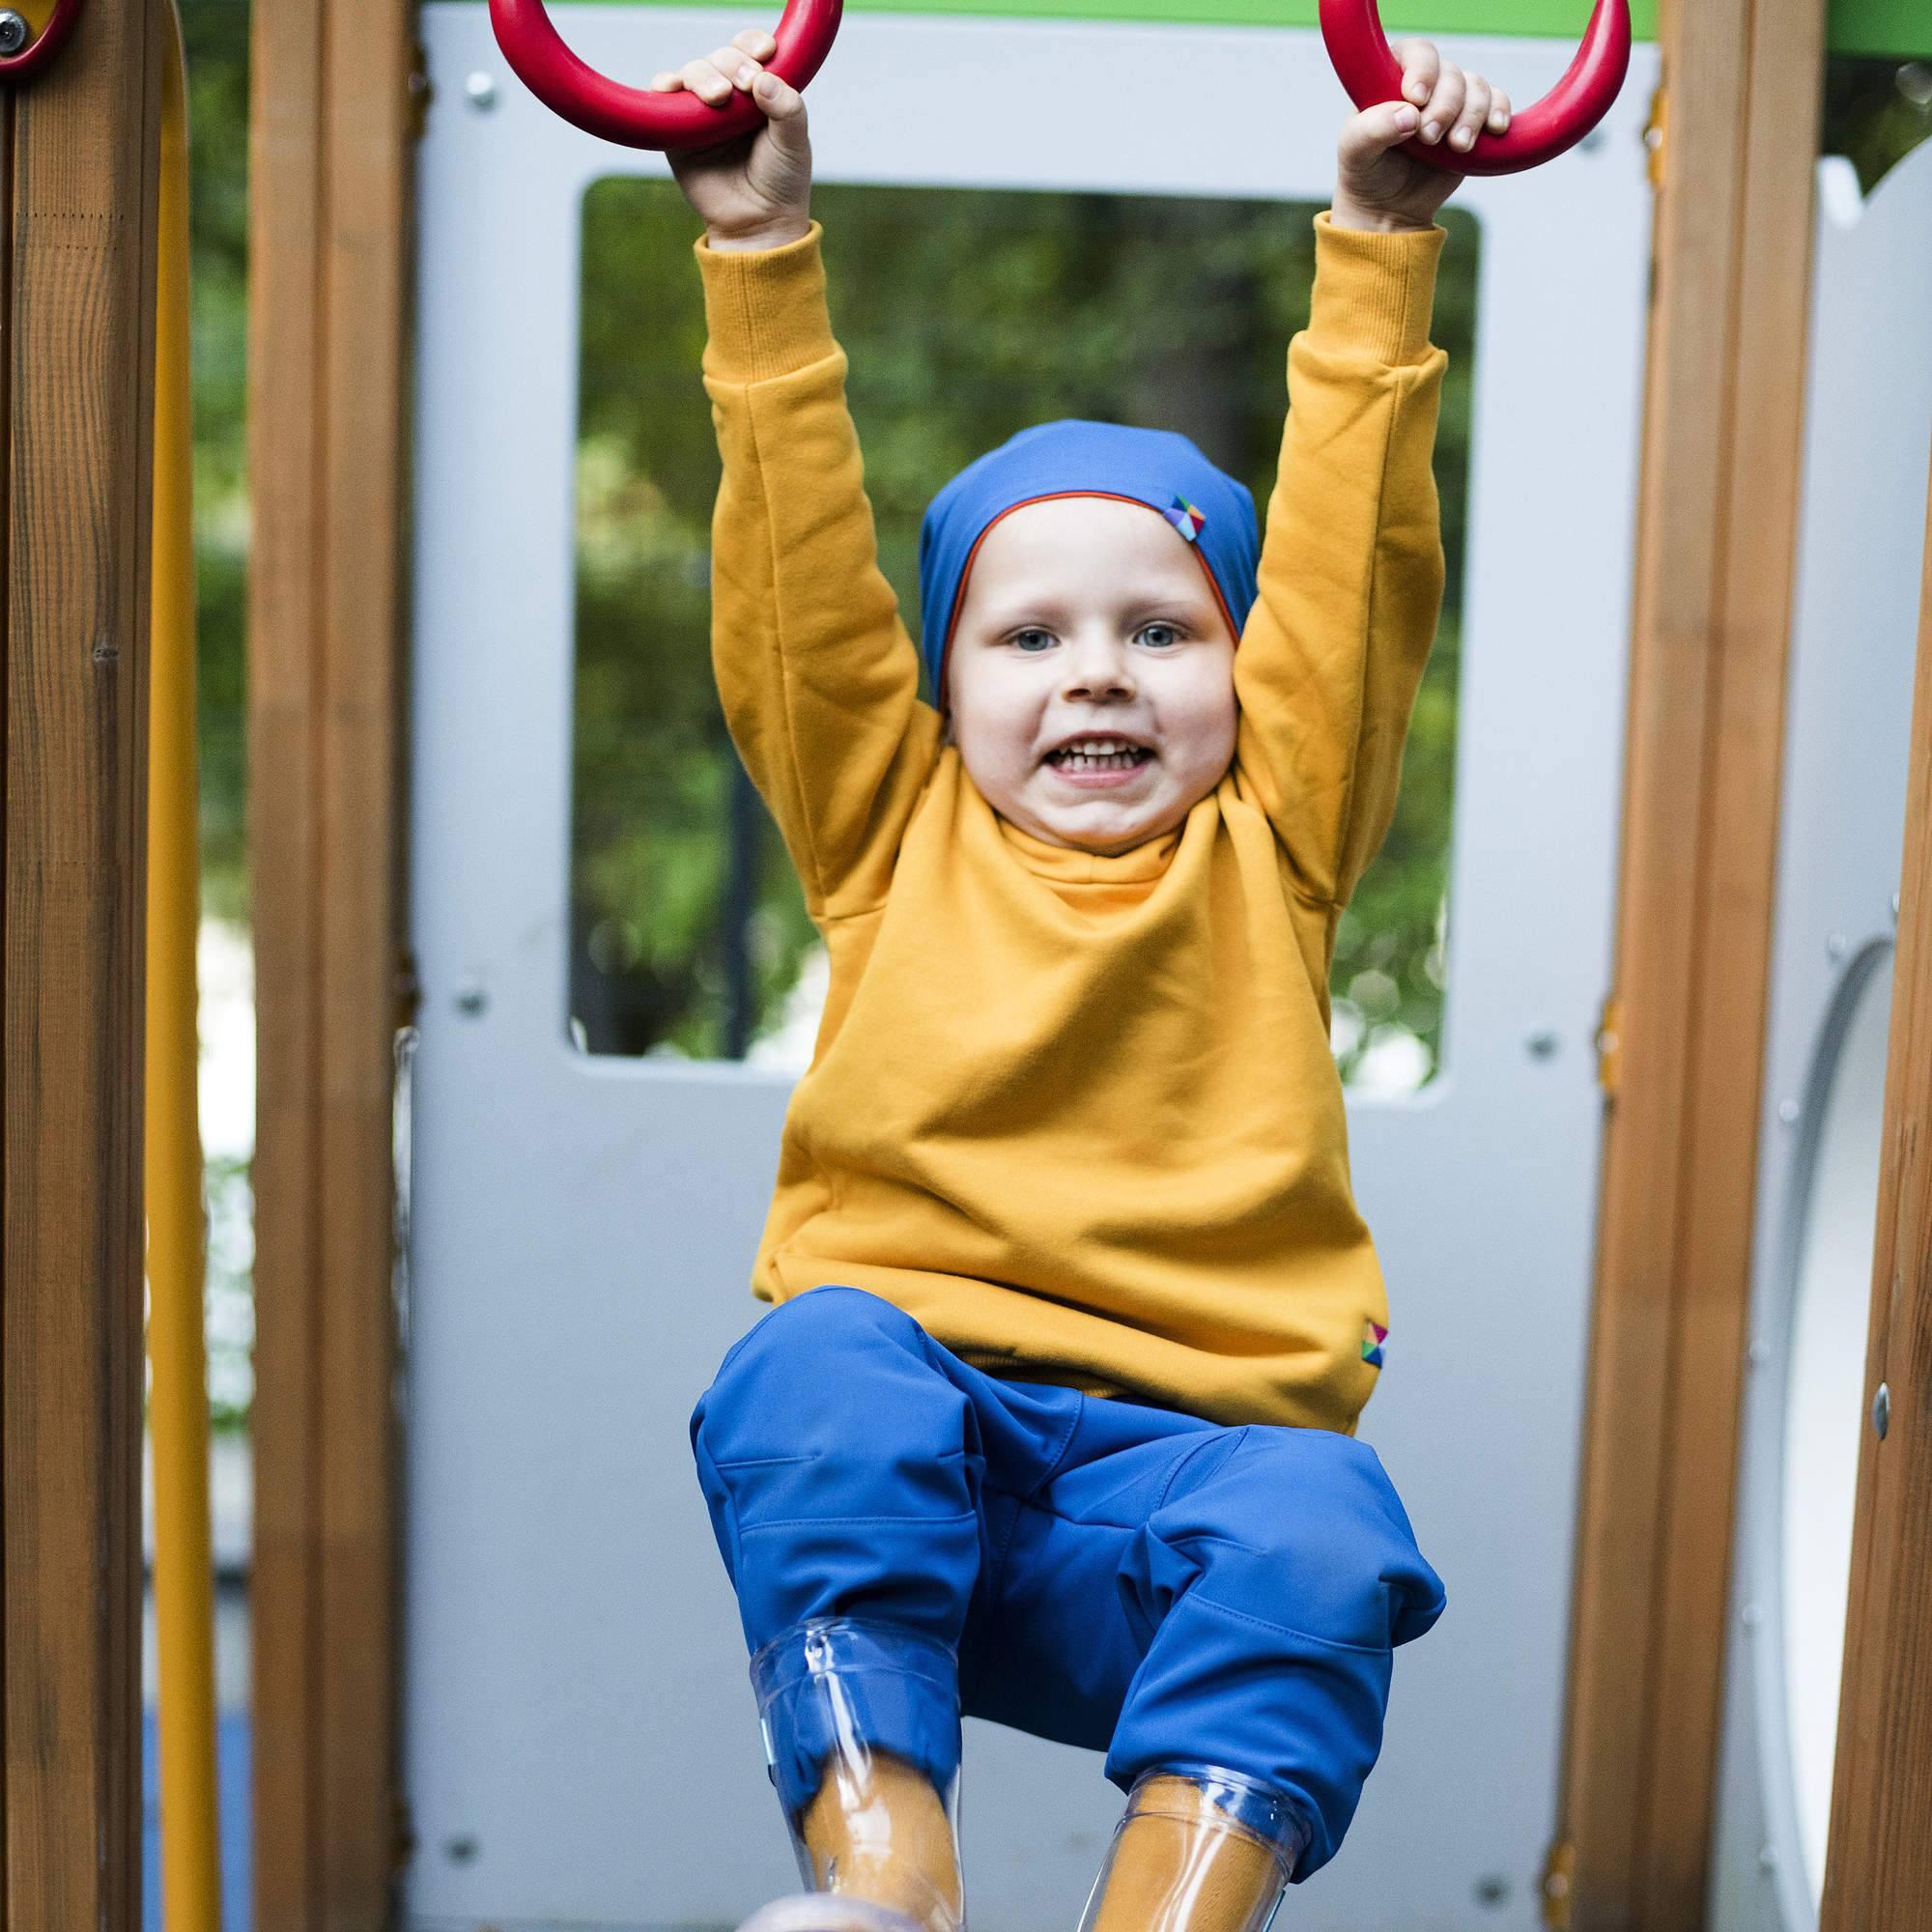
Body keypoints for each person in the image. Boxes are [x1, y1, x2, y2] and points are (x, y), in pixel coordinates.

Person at [653, 33, 1510, 1931]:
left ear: (1242, 668)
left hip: (1174, 1510)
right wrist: (756, 252)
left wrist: (1379, 249)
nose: (1099, 673)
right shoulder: (891, 826)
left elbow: (1355, 574)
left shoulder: (1271, 841)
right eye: (1026, 634)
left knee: (1329, 1531)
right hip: (910, 1476)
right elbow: (795, 577)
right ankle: (886, 1888)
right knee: (811, 1369)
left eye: (1163, 627)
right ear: (944, 693)